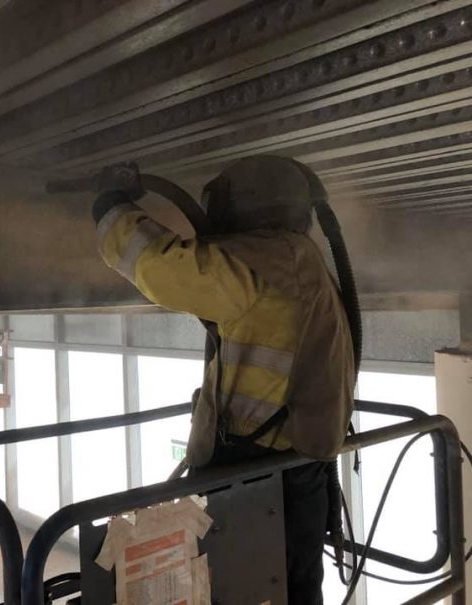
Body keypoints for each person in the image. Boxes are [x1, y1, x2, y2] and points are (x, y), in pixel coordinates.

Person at [92, 156, 354, 604]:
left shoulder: (267, 259)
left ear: (249, 203)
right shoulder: (300, 260)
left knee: (249, 587)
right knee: (290, 589)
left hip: (260, 473)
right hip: (292, 468)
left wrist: (110, 207)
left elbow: (162, 266)